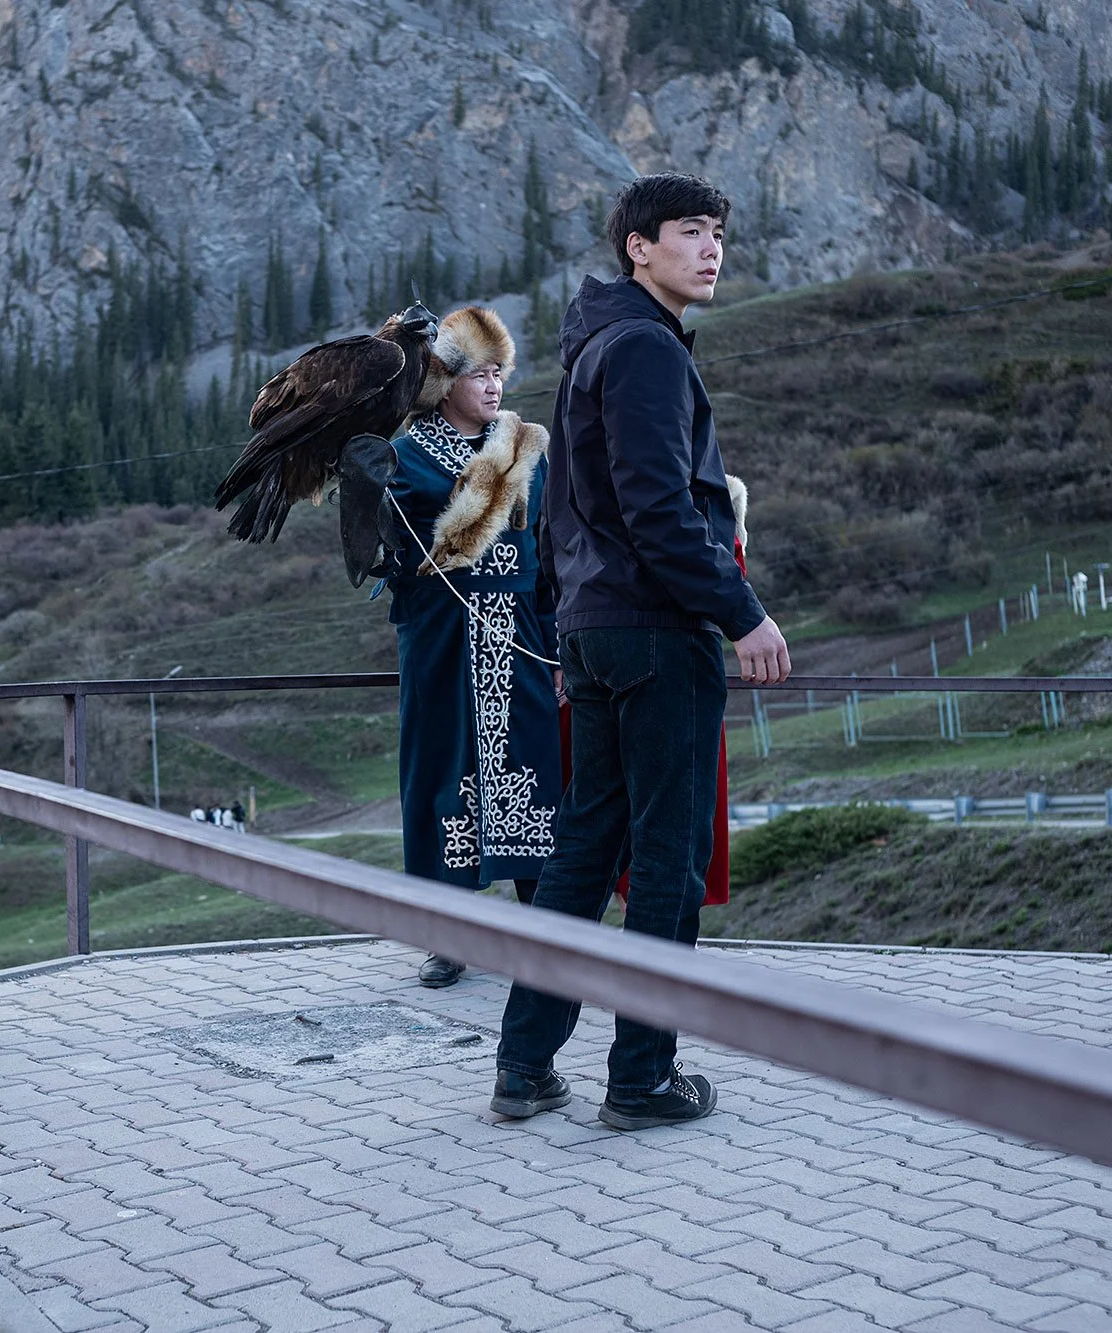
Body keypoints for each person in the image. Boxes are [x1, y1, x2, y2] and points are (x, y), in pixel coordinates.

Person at [494, 173, 790, 1131]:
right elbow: (660, 511)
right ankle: (641, 1079)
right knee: (666, 854)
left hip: (594, 630)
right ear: (639, 246)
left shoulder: (594, 348)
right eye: (690, 231)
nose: (711, 249)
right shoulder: (647, 350)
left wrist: (562, 624)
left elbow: (558, 510)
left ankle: (522, 1066)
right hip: (657, 632)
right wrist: (742, 614)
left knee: (585, 848)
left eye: (718, 233)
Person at [382, 306, 561, 988]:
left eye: (499, 373)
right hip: (441, 639)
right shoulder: (402, 457)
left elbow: (548, 554)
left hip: (519, 638)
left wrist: (556, 644)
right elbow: (388, 555)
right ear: (444, 381)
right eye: (479, 373)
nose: (493, 385)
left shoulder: (523, 448)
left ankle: (544, 933)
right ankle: (446, 937)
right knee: (439, 773)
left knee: (531, 769)